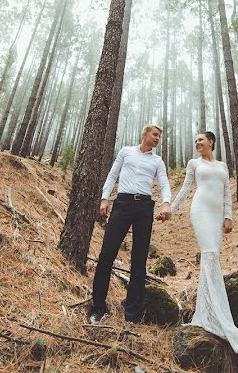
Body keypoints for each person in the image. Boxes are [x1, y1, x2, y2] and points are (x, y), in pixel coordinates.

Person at [166, 130, 238, 353]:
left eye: (200, 140)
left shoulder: (222, 166)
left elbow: (226, 194)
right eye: (195, 141)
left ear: (211, 142)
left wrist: (229, 216)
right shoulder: (194, 163)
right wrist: (171, 209)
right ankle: (218, 318)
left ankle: (206, 313)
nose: (197, 143)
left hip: (217, 214)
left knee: (212, 258)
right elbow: (185, 188)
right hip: (201, 210)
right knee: (210, 254)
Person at [89, 124, 172, 324]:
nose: (157, 139)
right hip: (123, 204)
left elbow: (164, 183)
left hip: (144, 208)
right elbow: (112, 175)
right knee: (107, 254)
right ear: (144, 134)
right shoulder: (126, 152)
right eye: (155, 135)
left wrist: (166, 203)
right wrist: (104, 198)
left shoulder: (157, 161)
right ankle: (98, 308)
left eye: (159, 137)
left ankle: (132, 314)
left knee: (139, 259)